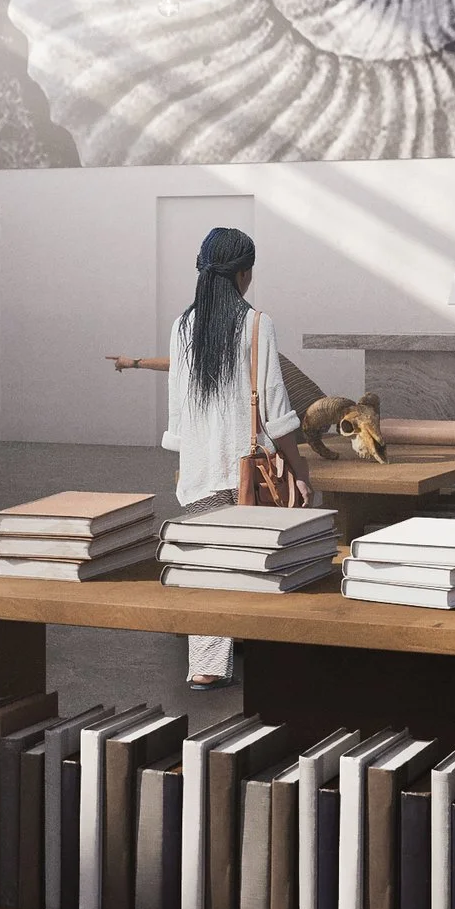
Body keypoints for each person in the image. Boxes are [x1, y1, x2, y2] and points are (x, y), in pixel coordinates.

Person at [148, 227, 300, 689]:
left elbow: (178, 411)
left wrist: (188, 455)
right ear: (244, 273)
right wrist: (299, 467)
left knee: (207, 567)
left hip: (198, 467)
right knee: (258, 563)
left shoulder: (181, 327)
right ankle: (233, 660)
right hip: (245, 469)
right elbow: (274, 407)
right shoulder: (257, 323)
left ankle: (207, 665)